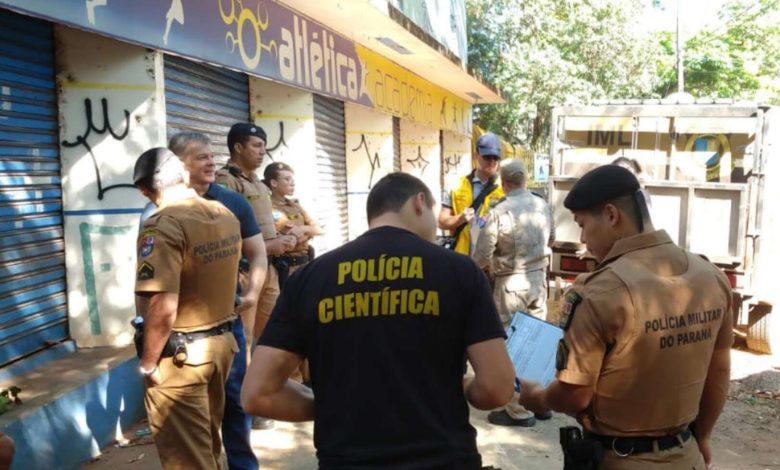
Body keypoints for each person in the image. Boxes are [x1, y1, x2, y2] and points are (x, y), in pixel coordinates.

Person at [241, 172, 516, 469]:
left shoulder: (311, 277)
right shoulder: (460, 272)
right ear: (419, 203)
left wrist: (339, 406)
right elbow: (497, 389)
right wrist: (463, 387)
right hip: (444, 458)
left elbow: (258, 394)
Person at [517, 165, 733, 469]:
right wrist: (704, 437)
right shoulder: (711, 277)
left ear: (611, 215)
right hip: (688, 455)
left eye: (582, 224)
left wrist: (536, 397)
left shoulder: (600, 292)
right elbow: (719, 370)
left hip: (621, 460)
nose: (583, 239)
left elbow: (574, 396)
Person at [133, 147, 242, 470]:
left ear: (144, 190)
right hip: (221, 346)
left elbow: (162, 304)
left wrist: (149, 364)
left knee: (188, 460)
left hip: (181, 358)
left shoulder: (161, 225)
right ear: (182, 174)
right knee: (207, 448)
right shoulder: (223, 214)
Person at [168, 132, 267, 470]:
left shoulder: (233, 202)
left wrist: (252, 292)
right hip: (185, 330)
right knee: (197, 409)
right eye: (201, 157)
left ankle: (243, 464)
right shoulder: (164, 209)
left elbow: (258, 253)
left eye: (212, 156)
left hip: (229, 321)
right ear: (179, 165)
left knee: (236, 399)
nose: (211, 162)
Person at [215, 123, 297, 429]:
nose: (262, 152)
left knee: (273, 334)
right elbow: (225, 233)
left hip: (269, 270)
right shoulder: (226, 182)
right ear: (238, 147)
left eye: (263, 146)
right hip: (244, 272)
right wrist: (270, 245)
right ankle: (244, 408)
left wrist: (283, 240)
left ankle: (265, 397)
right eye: (255, 146)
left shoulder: (260, 185)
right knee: (245, 340)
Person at [472, 158, 555, 428]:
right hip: (538, 281)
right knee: (538, 342)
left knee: (511, 347)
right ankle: (540, 402)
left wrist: (475, 269)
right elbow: (551, 238)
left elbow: (484, 252)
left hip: (511, 284)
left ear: (504, 182)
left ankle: (518, 411)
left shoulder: (500, 210)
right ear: (525, 179)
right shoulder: (542, 205)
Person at [439, 132, 505, 255]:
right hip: (461, 260)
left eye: (496, 157)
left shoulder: (505, 189)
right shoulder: (456, 185)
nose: (492, 162)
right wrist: (461, 218)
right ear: (476, 155)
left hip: (491, 264)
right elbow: (442, 222)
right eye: (487, 157)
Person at [264, 161, 322, 288]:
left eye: (292, 179)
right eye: (287, 179)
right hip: (284, 268)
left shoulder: (295, 205)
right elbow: (288, 239)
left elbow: (318, 229)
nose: (292, 182)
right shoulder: (266, 207)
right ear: (274, 183)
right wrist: (307, 233)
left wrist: (302, 229)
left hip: (305, 264)